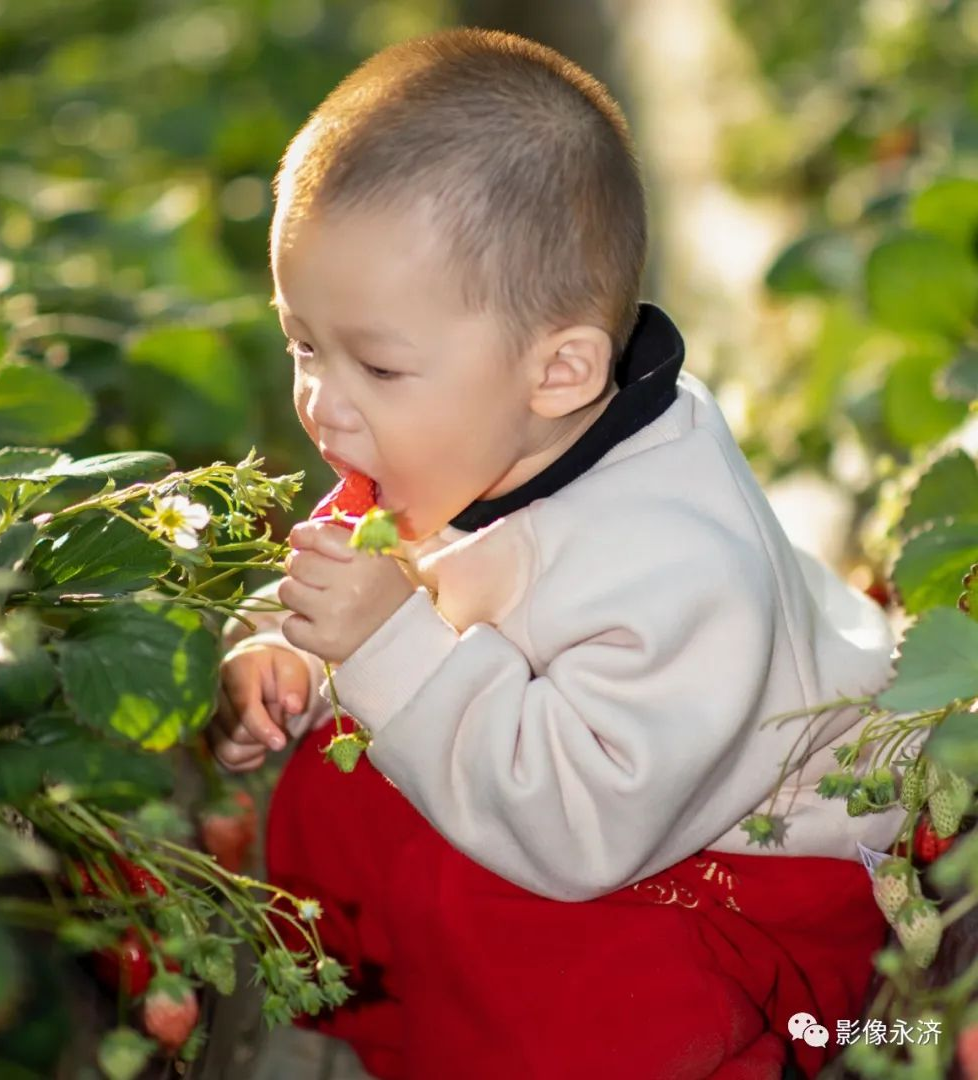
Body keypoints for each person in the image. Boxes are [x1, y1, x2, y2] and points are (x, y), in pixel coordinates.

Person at [208, 26, 907, 1079]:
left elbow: (588, 832)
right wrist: (284, 648)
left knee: (580, 990)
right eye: (304, 343)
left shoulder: (677, 564)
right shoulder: (466, 438)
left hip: (741, 865)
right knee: (353, 769)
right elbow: (364, 573)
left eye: (377, 366)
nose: (320, 401)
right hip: (587, 793)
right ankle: (411, 1008)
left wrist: (388, 641)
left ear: (562, 370)